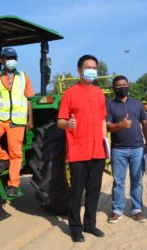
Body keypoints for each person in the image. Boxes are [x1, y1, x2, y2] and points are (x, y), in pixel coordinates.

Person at [57, 54, 107, 242]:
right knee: (77, 192)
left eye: (95, 67)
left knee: (94, 191)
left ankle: (90, 224)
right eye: (88, 67)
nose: (92, 71)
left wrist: (104, 143)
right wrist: (67, 124)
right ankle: (75, 228)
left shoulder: (99, 93)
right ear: (79, 70)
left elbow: (103, 119)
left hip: (98, 151)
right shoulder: (70, 93)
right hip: (78, 150)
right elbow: (60, 121)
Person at [0, 47, 34, 197]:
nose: (11, 60)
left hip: (17, 119)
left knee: (16, 152)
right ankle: (1, 159)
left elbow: (29, 99)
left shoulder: (24, 77)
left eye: (14, 57)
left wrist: (30, 120)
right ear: (2, 60)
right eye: (8, 57)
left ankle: (13, 184)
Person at [106, 75, 147, 224]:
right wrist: (120, 125)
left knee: (137, 180)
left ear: (128, 85)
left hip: (137, 148)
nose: (122, 87)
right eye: (118, 85)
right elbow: (107, 126)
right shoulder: (110, 105)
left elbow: (145, 124)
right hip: (118, 149)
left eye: (124, 84)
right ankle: (117, 209)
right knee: (118, 181)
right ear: (114, 88)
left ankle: (136, 209)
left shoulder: (137, 104)